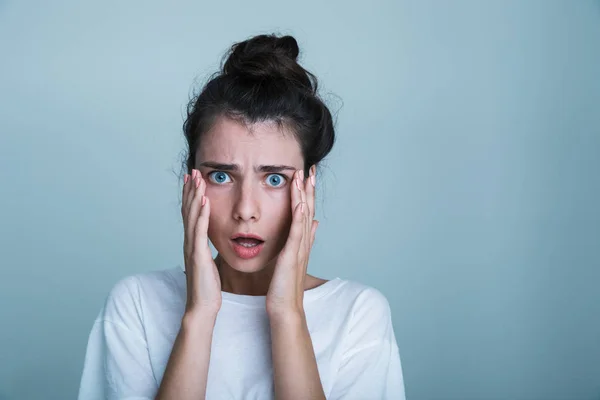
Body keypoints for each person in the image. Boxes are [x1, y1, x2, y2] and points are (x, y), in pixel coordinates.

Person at [77, 33, 406, 400]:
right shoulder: (137, 303)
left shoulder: (358, 315)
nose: (245, 210)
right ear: (191, 182)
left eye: (275, 178)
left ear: (309, 186)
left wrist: (287, 314)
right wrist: (199, 315)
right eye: (221, 176)